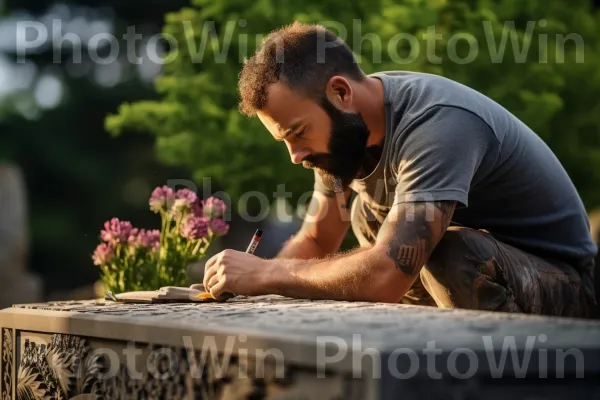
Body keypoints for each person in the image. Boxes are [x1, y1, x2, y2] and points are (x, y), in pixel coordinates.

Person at [202, 21, 597, 318]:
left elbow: (386, 275)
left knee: (450, 255)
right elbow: (318, 239)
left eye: (298, 133)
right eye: (284, 140)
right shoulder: (343, 140)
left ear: (341, 93)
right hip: (483, 279)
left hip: (568, 287)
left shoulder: (437, 124)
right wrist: (250, 281)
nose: (294, 155)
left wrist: (268, 275)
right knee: (368, 216)